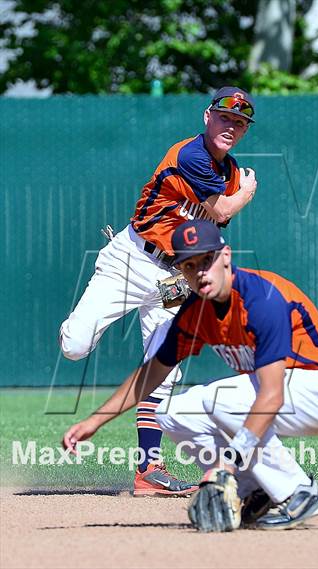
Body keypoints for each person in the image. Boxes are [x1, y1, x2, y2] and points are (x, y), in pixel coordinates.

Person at [62, 219, 318, 530]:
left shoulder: (261, 299)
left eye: (207, 260)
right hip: (285, 393)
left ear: (226, 256)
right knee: (171, 412)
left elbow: (272, 395)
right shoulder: (195, 311)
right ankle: (255, 492)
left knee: (221, 400)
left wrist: (227, 463)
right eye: (189, 265)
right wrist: (93, 421)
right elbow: (151, 374)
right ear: (179, 271)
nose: (200, 272)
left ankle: (299, 492)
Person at [59, 87, 257, 496]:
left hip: (174, 278)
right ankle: (73, 329)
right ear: (208, 117)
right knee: (75, 345)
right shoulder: (192, 155)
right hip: (132, 260)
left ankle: (148, 470)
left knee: (162, 371)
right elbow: (221, 210)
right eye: (225, 117)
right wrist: (246, 195)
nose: (231, 127)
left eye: (239, 123)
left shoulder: (230, 172)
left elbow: (207, 229)